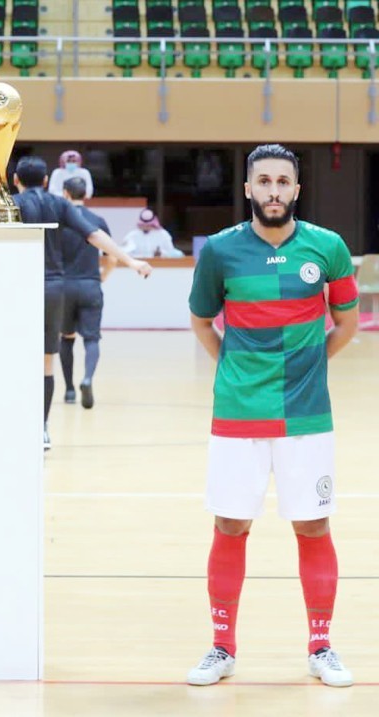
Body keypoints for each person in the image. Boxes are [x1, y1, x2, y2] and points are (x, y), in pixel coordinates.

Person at [186, 144, 359, 688]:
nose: (274, 191)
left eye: (283, 181)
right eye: (264, 181)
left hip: (306, 415)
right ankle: (222, 648)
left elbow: (347, 323)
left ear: (297, 190)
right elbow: (202, 321)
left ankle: (321, 646)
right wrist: (235, 368)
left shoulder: (327, 247)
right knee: (230, 524)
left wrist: (309, 364)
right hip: (238, 414)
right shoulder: (220, 250)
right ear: (248, 189)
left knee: (313, 525)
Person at [12, 156, 152, 450]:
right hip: (53, 287)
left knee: (14, 358)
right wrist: (130, 261)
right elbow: (95, 235)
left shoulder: (10, 204)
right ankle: (42, 428)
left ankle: (15, 424)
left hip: (18, 288)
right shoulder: (58, 204)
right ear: (47, 181)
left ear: (15, 180)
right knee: (46, 361)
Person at [58, 176, 115, 410]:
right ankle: (88, 378)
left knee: (66, 337)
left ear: (65, 194)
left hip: (64, 286)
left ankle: (69, 390)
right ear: (86, 194)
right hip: (90, 285)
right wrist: (102, 277)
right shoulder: (97, 221)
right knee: (92, 338)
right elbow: (111, 257)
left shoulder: (59, 221)